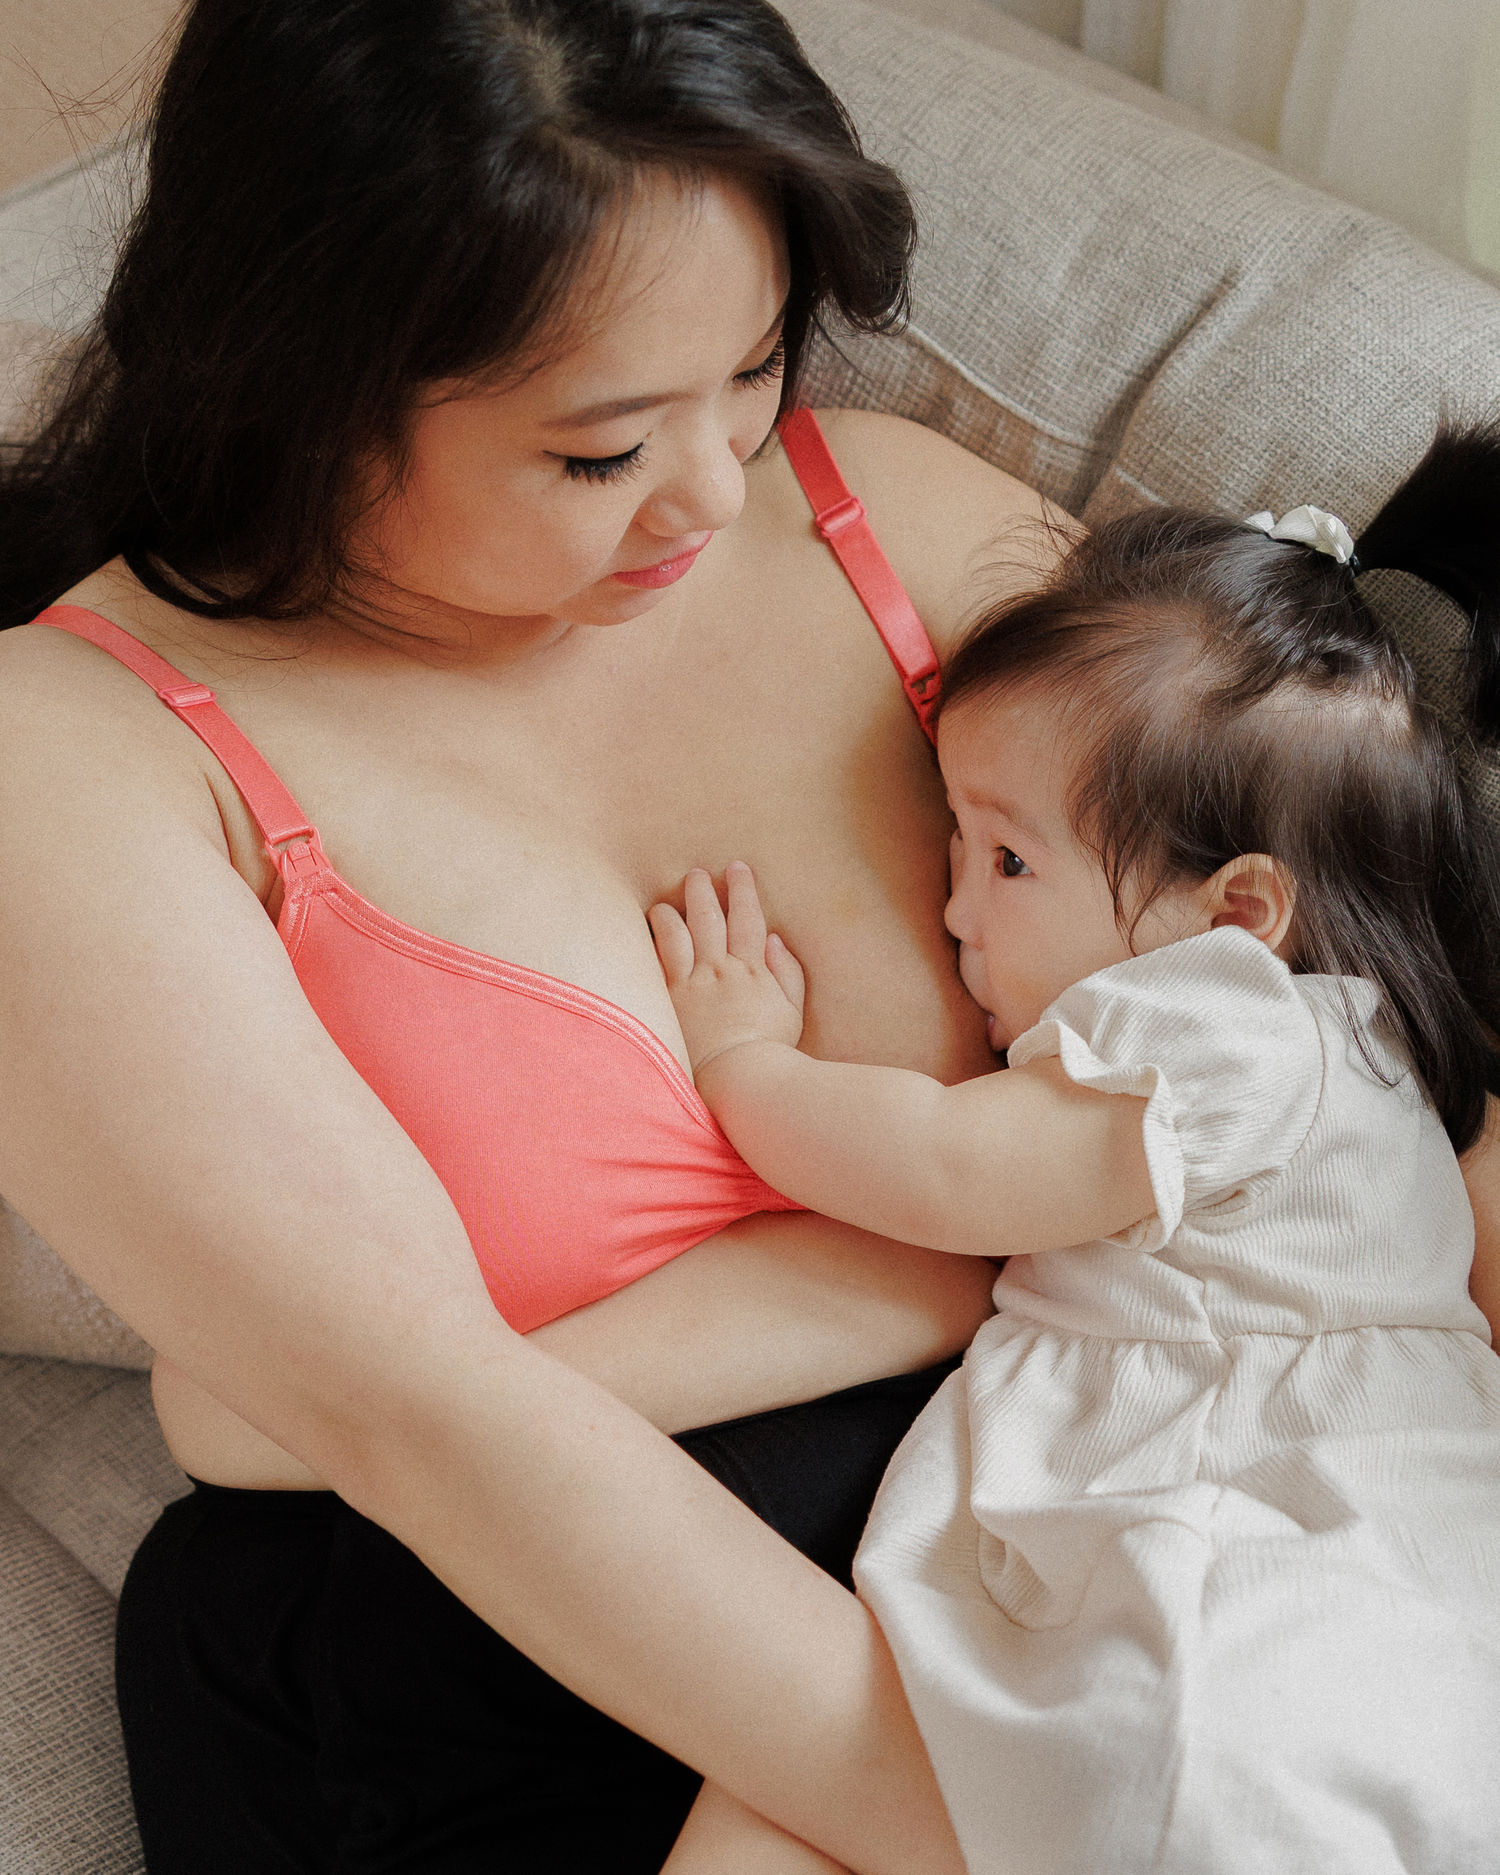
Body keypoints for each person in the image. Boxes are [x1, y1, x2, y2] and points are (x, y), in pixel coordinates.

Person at [648, 425, 1500, 1871]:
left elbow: (940, 1167)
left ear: (1236, 914)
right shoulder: (1370, 1059)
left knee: (1159, 1771)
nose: (954, 905)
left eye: (1007, 856)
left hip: (1232, 1544)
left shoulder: (1234, 1029)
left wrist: (746, 1064)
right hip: (1339, 1551)